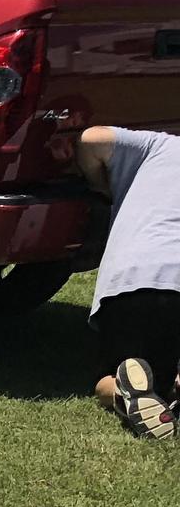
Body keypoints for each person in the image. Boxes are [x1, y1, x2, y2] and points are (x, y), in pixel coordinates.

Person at [78, 126, 180, 441]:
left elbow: (91, 138)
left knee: (107, 377)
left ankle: (124, 392)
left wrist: (102, 187)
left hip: (132, 279)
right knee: (166, 376)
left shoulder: (157, 145)